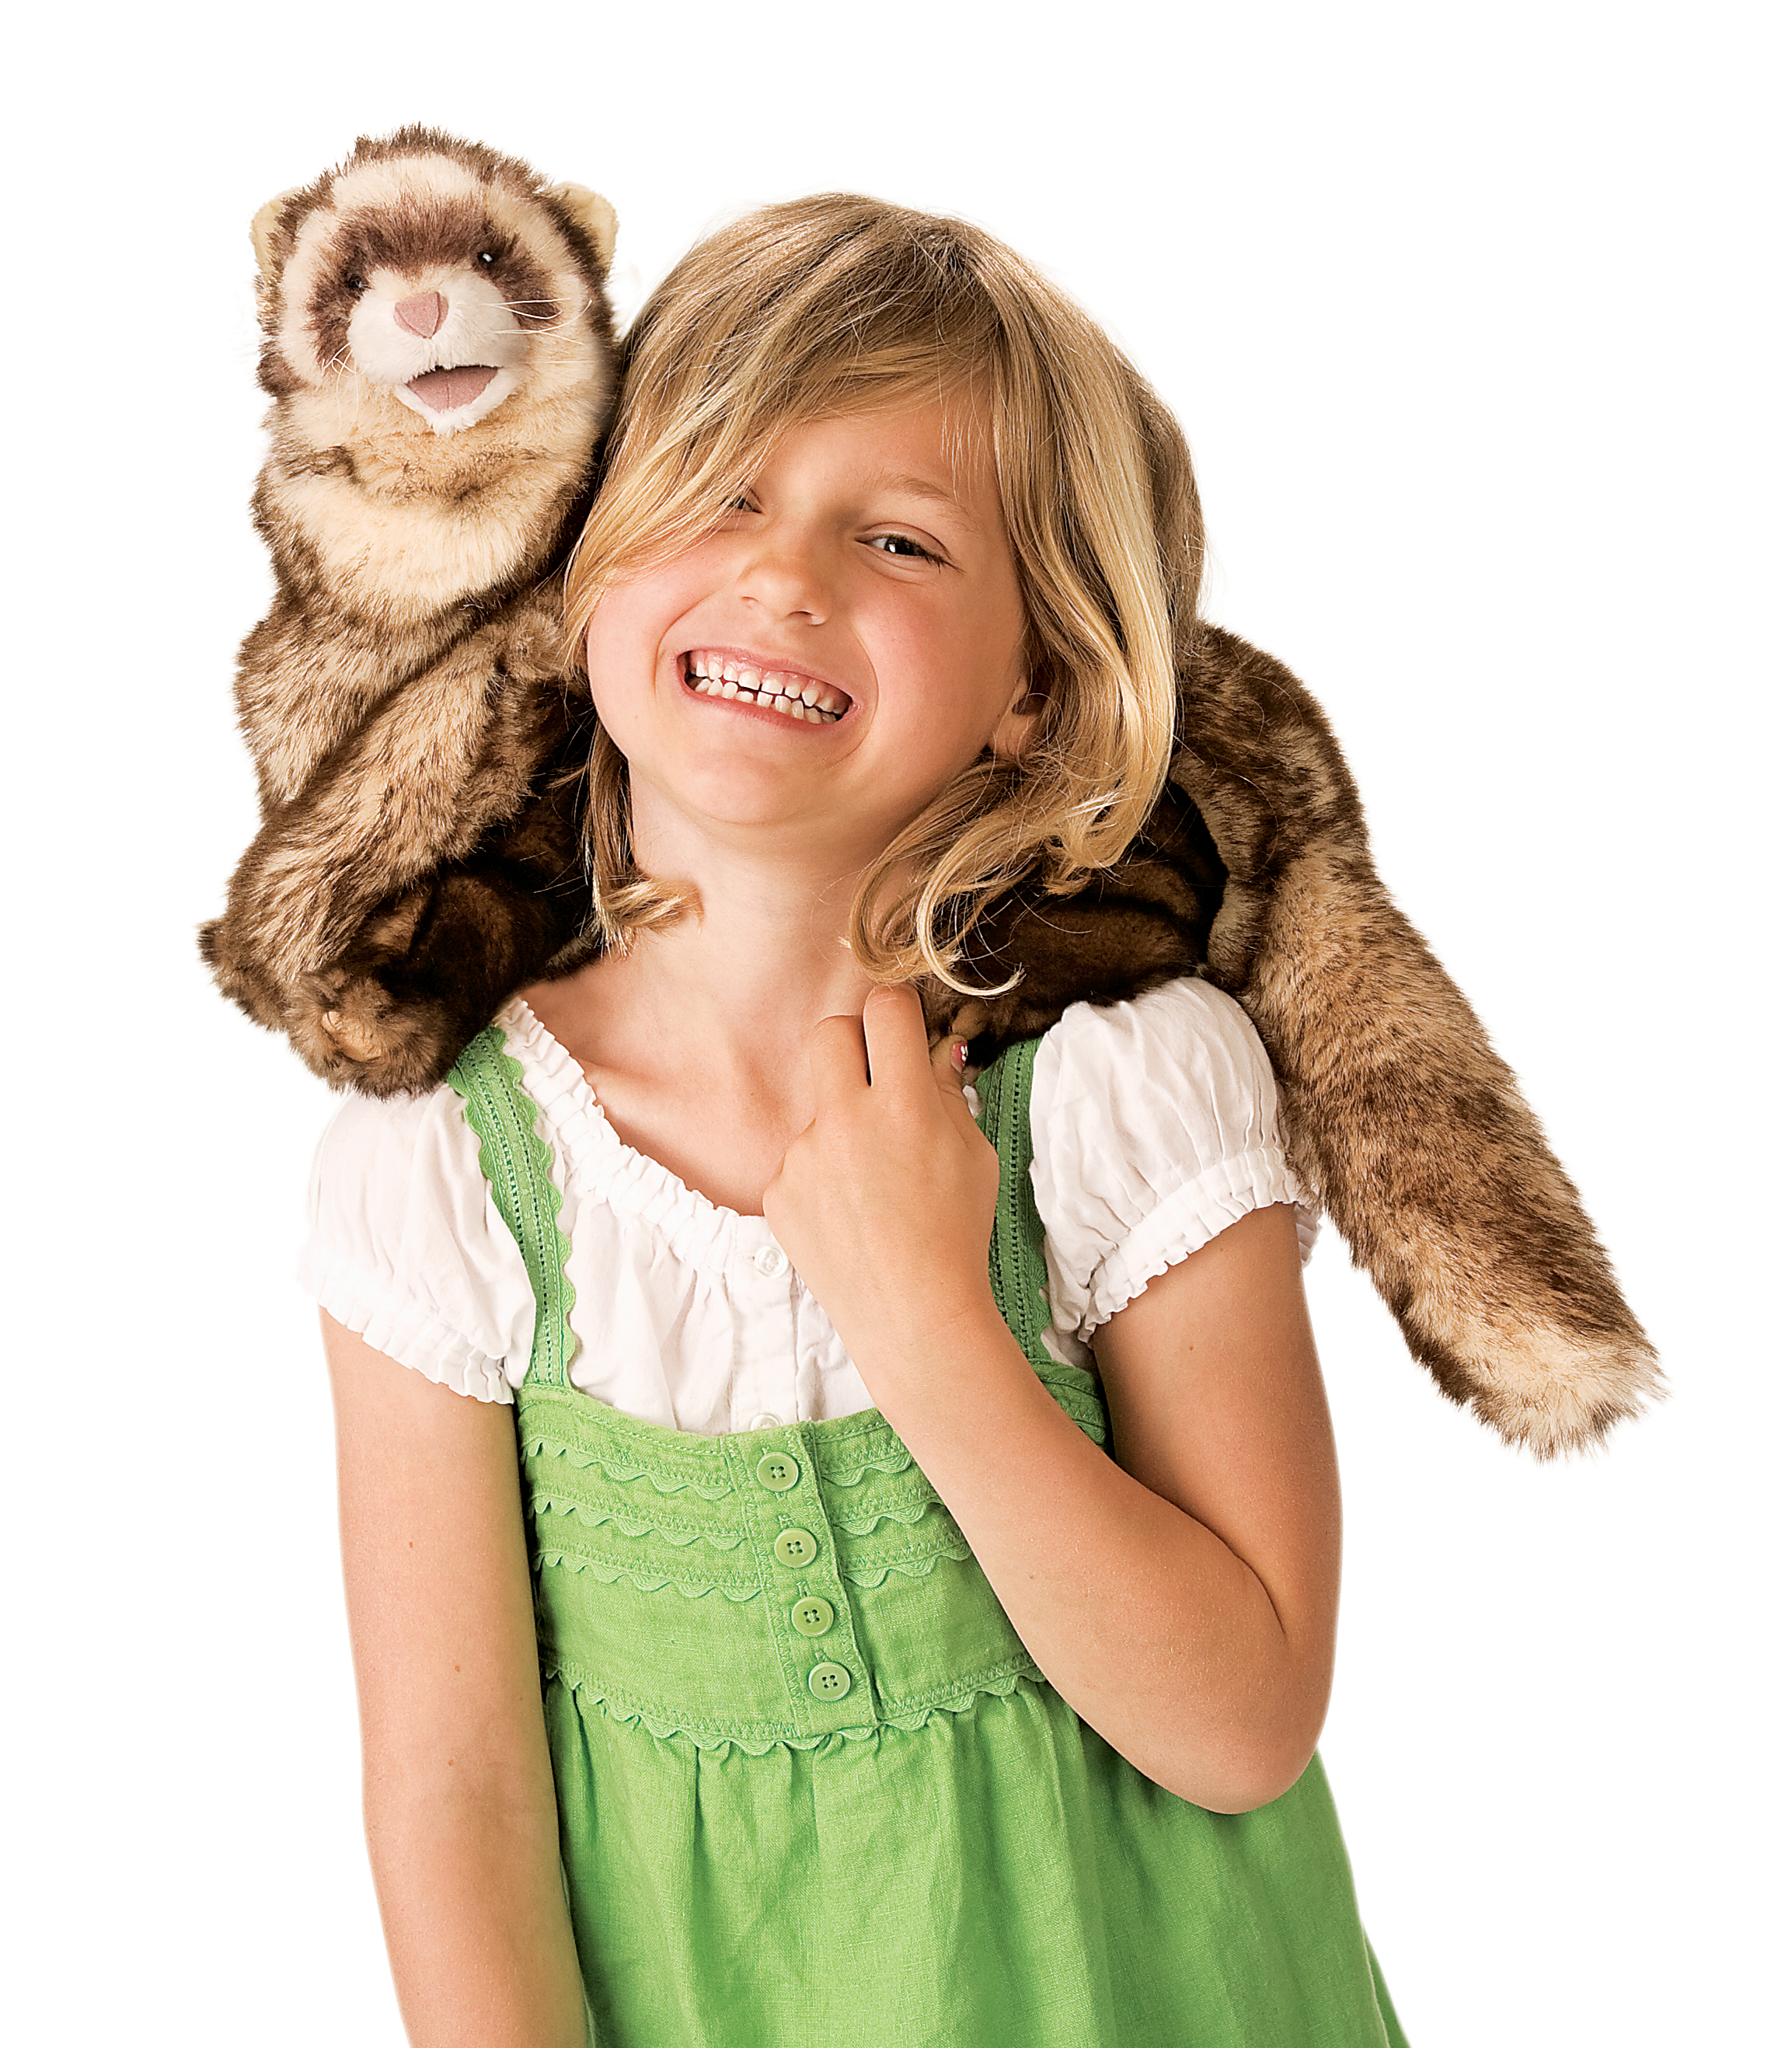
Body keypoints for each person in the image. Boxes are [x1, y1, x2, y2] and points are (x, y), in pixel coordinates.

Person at [304, 194, 1407, 2047]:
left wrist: (922, 1316)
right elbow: (453, 1799)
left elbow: (1239, 1725)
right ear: (587, 560)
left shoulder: (1120, 1092)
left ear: (1032, 688)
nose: (784, 575)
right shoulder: (447, 1183)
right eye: (721, 490)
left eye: (898, 538)